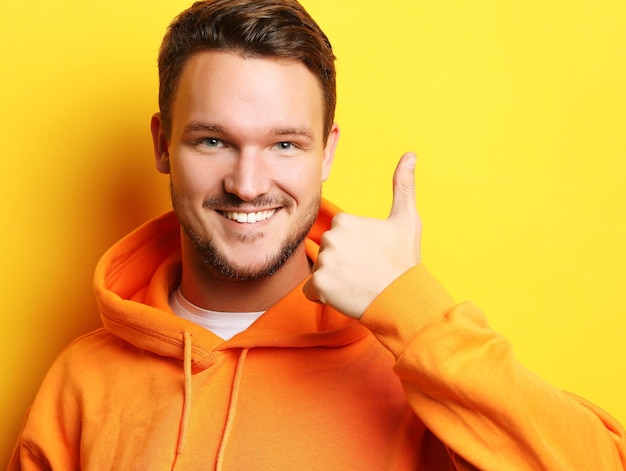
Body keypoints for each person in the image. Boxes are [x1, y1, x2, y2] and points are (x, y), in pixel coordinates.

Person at [9, 0, 626, 469]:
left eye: (284, 143)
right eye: (213, 140)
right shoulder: (80, 382)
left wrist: (413, 313)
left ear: (326, 154)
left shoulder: (417, 365)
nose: (248, 184)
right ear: (162, 145)